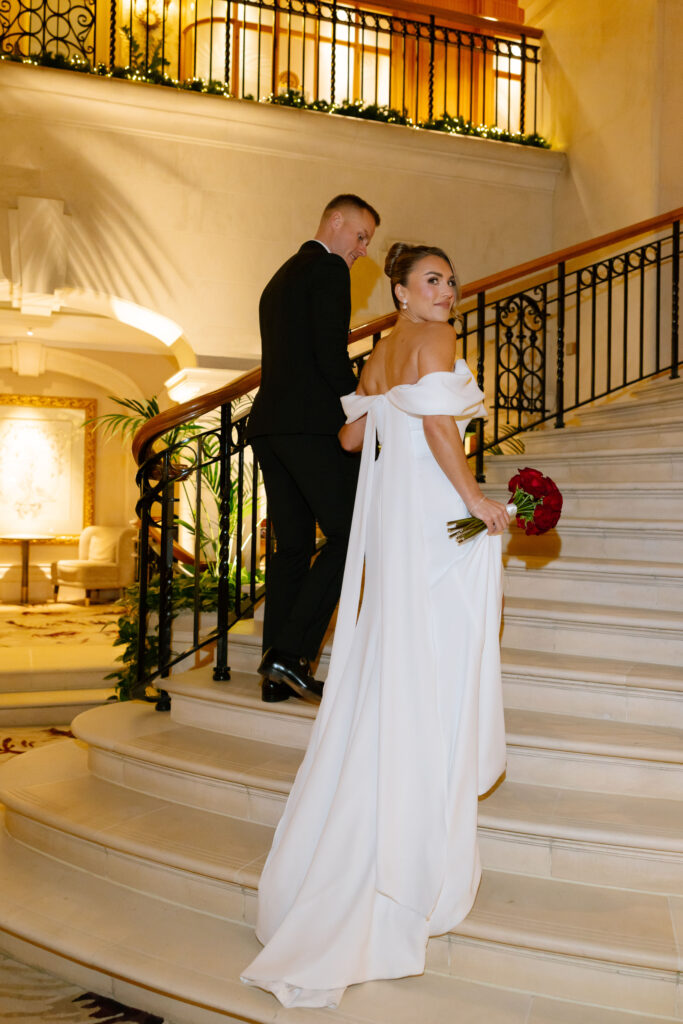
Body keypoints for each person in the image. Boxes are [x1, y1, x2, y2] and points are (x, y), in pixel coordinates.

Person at [241, 242, 513, 1008]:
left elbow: (351, 439)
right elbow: (437, 430)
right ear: (399, 289)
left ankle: (378, 798)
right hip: (430, 515)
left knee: (399, 650)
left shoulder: (382, 353)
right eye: (432, 281)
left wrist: (388, 404)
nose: (448, 293)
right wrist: (476, 502)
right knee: (438, 648)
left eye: (452, 282)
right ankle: (414, 810)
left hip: (393, 526)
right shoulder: (435, 341)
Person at [247, 194, 380, 703]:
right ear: (336, 220)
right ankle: (291, 653)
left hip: (270, 429)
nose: (363, 250)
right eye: (361, 235)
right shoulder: (328, 270)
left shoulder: (279, 276)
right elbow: (329, 351)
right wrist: (356, 407)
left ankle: (274, 677)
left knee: (295, 548)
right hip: (308, 429)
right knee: (352, 533)